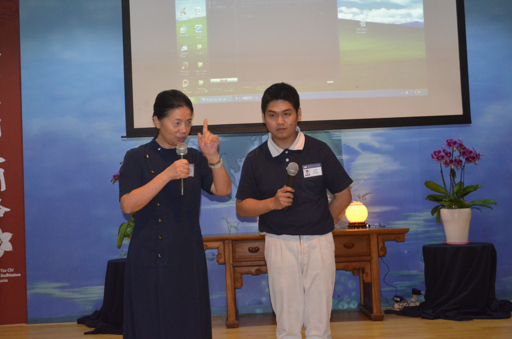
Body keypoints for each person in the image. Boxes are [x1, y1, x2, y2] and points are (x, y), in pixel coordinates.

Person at [236, 83, 352, 339]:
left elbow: (344, 195)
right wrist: (271, 204)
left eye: (286, 114)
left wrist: (323, 221)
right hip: (279, 243)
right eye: (272, 115)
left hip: (319, 242)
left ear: (299, 113)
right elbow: (242, 206)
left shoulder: (319, 150)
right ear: (264, 118)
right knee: (287, 324)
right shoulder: (256, 158)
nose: (280, 121)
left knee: (319, 323)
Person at [118, 89, 231, 339]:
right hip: (149, 258)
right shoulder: (137, 158)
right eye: (176, 122)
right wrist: (167, 175)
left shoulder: (193, 157)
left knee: (188, 325)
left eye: (188, 122)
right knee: (151, 325)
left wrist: (213, 157)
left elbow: (222, 190)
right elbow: (128, 204)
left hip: (187, 257)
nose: (183, 129)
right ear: (157, 121)